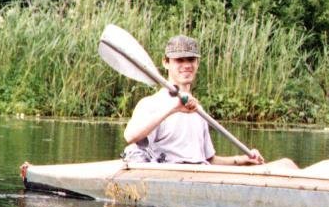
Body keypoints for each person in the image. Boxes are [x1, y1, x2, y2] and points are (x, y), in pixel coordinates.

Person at [122, 34, 295, 169]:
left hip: (199, 173)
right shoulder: (151, 104)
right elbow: (130, 136)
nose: (186, 65)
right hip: (171, 174)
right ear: (165, 63)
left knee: (286, 163)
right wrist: (173, 108)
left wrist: (242, 160)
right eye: (179, 60)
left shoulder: (198, 110)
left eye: (191, 59)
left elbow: (207, 160)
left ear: (197, 63)